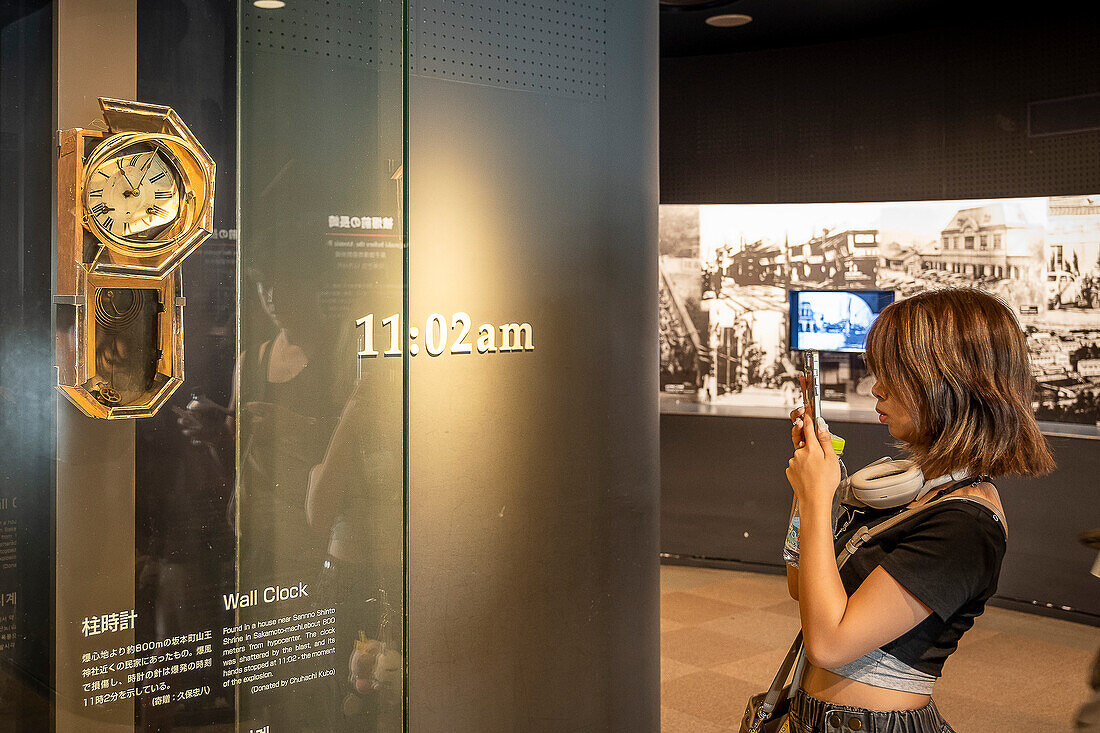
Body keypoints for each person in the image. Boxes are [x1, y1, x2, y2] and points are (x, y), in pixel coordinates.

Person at [784, 288, 1055, 732]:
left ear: (950, 382)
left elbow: (829, 643)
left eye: (896, 373)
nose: (877, 388)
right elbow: (803, 587)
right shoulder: (911, 490)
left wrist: (817, 497)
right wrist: (807, 490)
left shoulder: (965, 525)